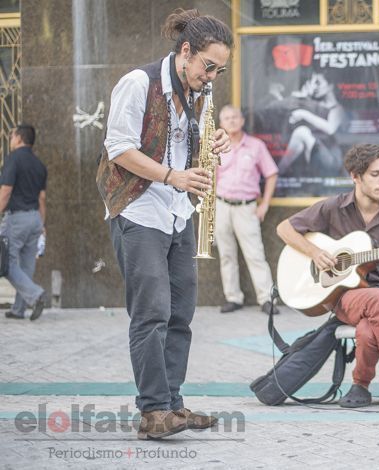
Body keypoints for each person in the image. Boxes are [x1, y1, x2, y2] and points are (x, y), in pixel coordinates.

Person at [95, 8, 232, 440]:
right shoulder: (137, 84)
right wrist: (174, 176)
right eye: (208, 66)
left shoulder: (199, 93)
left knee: (181, 314)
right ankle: (153, 411)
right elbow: (118, 148)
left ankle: (172, 403)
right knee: (151, 314)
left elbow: (183, 146)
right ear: (185, 51)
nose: (211, 77)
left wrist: (215, 142)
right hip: (138, 210)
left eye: (219, 70)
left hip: (178, 212)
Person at [276, 144, 379, 412]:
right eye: (375, 174)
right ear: (355, 176)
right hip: (344, 297)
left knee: (368, 324)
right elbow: (284, 229)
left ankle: (360, 384)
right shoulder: (333, 208)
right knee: (374, 299)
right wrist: (315, 253)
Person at [215, 105, 279, 314]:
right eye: (226, 118)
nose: (231, 121)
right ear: (221, 123)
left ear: (242, 121)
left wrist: (265, 204)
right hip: (221, 205)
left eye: (235, 117)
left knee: (255, 254)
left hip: (247, 208)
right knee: (226, 254)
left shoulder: (256, 146)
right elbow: (210, 176)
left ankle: (267, 299)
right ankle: (233, 297)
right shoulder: (215, 146)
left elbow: (271, 174)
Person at [0, 124, 48, 321]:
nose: (10, 140)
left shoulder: (13, 159)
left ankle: (36, 295)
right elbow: (42, 198)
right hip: (35, 219)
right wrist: (42, 224)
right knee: (27, 265)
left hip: (16, 219)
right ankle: (19, 309)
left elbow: (6, 191)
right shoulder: (39, 165)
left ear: (19, 138)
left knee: (5, 263)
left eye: (12, 136)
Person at [278, 72, 347, 176]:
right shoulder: (312, 105)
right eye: (313, 82)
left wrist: (304, 114)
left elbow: (330, 128)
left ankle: (278, 173)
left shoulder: (337, 109)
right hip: (311, 157)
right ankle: (279, 173)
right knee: (299, 137)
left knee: (301, 132)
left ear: (330, 86)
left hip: (332, 160)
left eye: (318, 82)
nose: (314, 86)